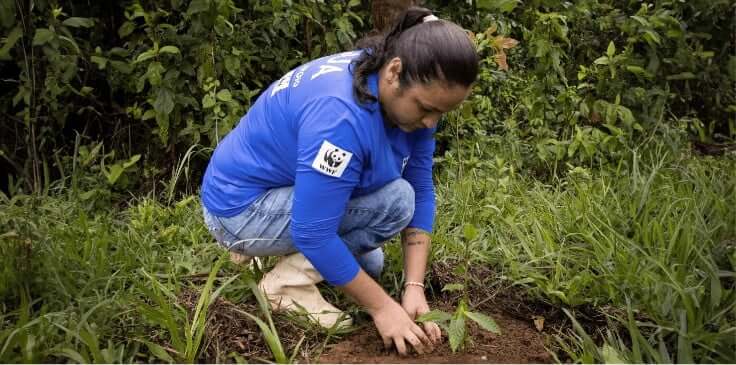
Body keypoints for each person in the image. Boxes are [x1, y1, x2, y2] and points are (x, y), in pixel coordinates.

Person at [200, 6, 478, 356]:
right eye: (425, 109)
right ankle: (284, 284)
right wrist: (382, 308)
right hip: (238, 208)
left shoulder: (389, 73)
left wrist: (414, 287)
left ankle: (267, 255)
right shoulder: (340, 119)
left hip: (276, 189)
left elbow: (423, 188)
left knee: (370, 264)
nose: (430, 122)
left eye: (441, 112)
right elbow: (313, 233)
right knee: (395, 204)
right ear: (395, 72)